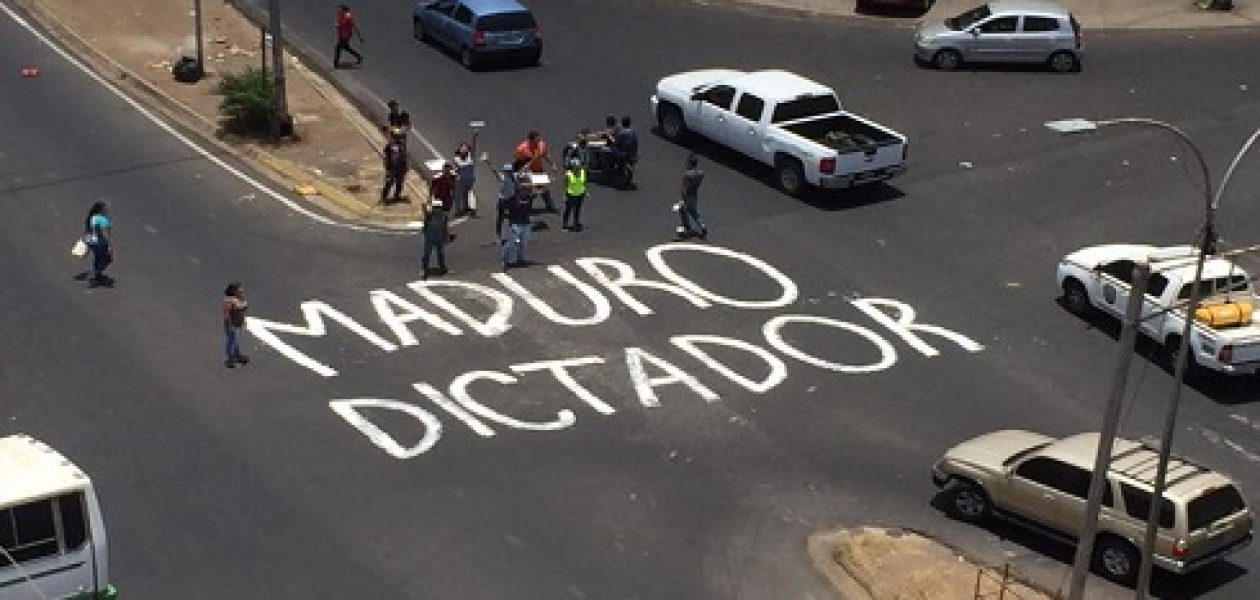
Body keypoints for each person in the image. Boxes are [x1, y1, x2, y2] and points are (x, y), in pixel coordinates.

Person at [513, 131, 557, 212]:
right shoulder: (522, 148)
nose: (538, 142)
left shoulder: (541, 145)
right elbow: (517, 161)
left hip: (538, 170)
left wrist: (552, 164)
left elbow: (545, 155)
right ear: (530, 140)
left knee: (544, 188)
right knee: (529, 191)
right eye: (536, 140)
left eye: (539, 140)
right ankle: (527, 207)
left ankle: (549, 205)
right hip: (527, 172)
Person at [501, 181, 534, 270]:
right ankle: (505, 260)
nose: (527, 191)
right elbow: (503, 207)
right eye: (525, 190)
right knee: (512, 243)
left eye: (528, 190)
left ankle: (520, 259)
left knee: (523, 243)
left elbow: (529, 209)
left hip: (525, 223)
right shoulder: (512, 199)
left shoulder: (529, 198)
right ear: (519, 190)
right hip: (515, 224)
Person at [676, 154, 707, 239]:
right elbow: (702, 175)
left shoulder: (687, 175)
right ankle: (702, 226)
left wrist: (682, 199)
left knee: (682, 211)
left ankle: (687, 229)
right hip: (694, 196)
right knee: (694, 213)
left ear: (689, 163)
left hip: (687, 196)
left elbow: (684, 189)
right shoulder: (700, 174)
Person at [83, 201, 113, 287]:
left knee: (98, 258)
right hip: (101, 242)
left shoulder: (92, 217)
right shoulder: (102, 219)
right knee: (108, 259)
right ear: (101, 210)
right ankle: (95, 275)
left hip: (92, 241)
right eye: (105, 208)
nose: (107, 210)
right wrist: (110, 246)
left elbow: (88, 230)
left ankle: (96, 274)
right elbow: (105, 233)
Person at [222, 282, 249, 368]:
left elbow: (242, 310)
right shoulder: (229, 300)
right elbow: (227, 313)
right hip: (231, 323)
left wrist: (243, 321)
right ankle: (230, 359)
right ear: (233, 291)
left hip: (236, 323)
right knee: (231, 341)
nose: (241, 292)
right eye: (239, 290)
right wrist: (230, 324)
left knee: (235, 340)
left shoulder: (237, 299)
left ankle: (237, 355)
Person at [451, 132, 478, 215]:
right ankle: (458, 210)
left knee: (469, 193)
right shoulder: (456, 159)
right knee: (458, 195)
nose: (464, 149)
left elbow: (474, 147)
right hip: (460, 179)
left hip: (469, 179)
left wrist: (474, 137)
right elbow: (454, 169)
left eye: (465, 148)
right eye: (462, 148)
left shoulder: (470, 156)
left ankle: (470, 208)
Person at [421, 201, 450, 278]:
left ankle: (442, 267)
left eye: (438, 208)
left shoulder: (443, 216)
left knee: (439, 253)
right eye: (436, 208)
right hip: (431, 237)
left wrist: (446, 236)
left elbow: (445, 228)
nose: (437, 209)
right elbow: (424, 209)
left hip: (436, 237)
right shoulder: (430, 215)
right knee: (427, 254)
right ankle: (424, 268)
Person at [381, 128, 408, 204]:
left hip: (400, 167)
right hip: (392, 168)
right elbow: (387, 158)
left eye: (399, 136)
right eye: (397, 136)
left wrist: (406, 165)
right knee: (389, 182)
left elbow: (404, 155)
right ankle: (384, 197)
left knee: (399, 183)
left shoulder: (401, 145)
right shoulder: (390, 146)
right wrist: (388, 168)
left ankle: (396, 196)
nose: (399, 138)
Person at [334, 4, 363, 69]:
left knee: (338, 47)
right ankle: (359, 57)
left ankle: (336, 63)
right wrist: (338, 25)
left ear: (344, 9)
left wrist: (359, 36)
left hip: (346, 35)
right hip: (341, 34)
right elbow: (339, 23)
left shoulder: (348, 16)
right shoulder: (340, 15)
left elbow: (354, 25)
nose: (340, 10)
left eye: (341, 9)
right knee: (346, 47)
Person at [562, 158, 587, 232]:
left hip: (580, 193)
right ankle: (565, 223)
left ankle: (576, 222)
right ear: (572, 167)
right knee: (568, 209)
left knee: (578, 209)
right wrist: (564, 195)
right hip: (571, 194)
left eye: (578, 166)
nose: (577, 168)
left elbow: (584, 182)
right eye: (575, 166)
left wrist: (585, 191)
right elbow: (566, 185)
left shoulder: (582, 172)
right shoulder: (569, 173)